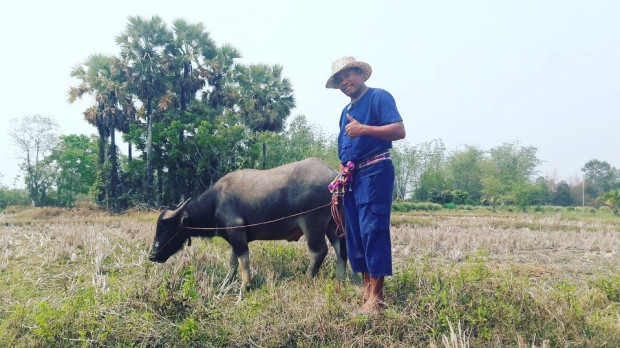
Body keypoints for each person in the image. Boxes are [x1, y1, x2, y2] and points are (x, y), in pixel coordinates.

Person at [326, 56, 406, 315]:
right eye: (339, 80)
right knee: (355, 235)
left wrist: (364, 130)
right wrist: (340, 181)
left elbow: (399, 130)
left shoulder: (379, 97)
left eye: (347, 75)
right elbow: (344, 151)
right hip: (351, 178)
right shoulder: (344, 112)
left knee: (373, 230)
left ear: (360, 74)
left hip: (375, 171)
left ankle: (377, 299)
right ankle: (366, 292)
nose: (344, 82)